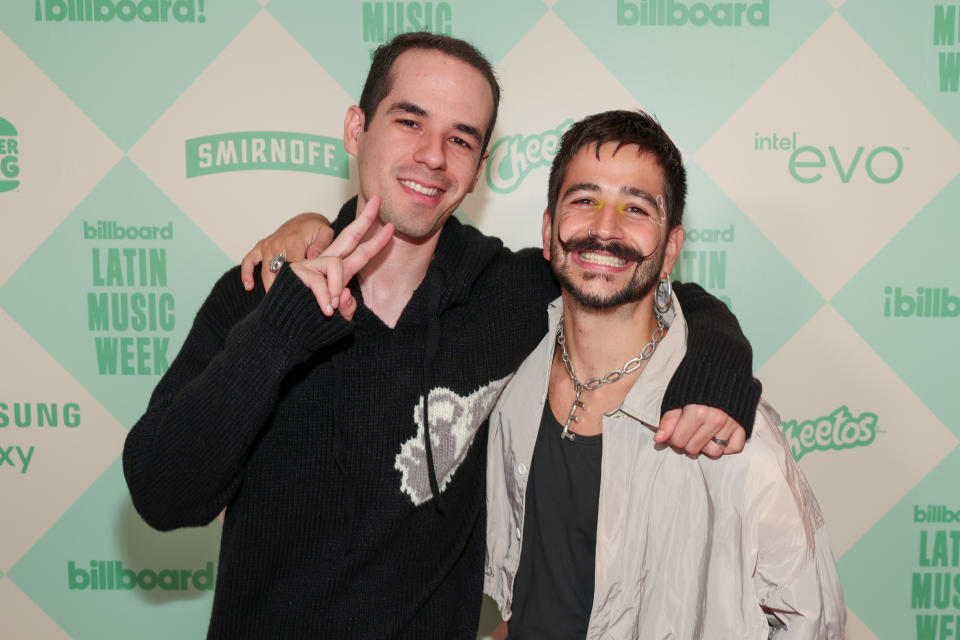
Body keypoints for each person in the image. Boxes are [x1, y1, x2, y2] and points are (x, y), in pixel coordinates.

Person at [123, 33, 760, 639]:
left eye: (461, 138)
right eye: (409, 121)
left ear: (480, 166)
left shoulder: (507, 291)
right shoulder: (261, 292)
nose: (433, 155)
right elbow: (162, 493)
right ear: (356, 128)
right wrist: (288, 320)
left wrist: (716, 369)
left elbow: (648, 286)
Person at [484, 109, 846, 639]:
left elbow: (816, 622)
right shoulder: (510, 382)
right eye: (584, 200)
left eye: (635, 208)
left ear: (671, 248)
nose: (605, 228)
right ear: (548, 229)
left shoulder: (724, 428)